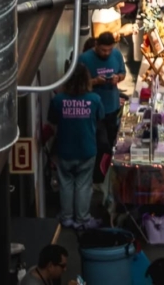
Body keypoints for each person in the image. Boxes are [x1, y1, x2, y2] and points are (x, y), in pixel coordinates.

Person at [47, 65, 103, 230]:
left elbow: (53, 121)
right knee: (83, 185)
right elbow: (100, 117)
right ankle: (82, 219)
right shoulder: (95, 99)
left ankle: (66, 218)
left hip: (65, 149)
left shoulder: (58, 100)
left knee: (66, 184)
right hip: (87, 149)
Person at [78, 31, 126, 161]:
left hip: (112, 106)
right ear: (96, 45)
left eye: (109, 50)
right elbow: (77, 84)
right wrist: (95, 81)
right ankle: (98, 173)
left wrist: (118, 78)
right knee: (100, 143)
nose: (107, 53)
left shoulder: (116, 54)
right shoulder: (84, 59)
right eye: (103, 50)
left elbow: (123, 73)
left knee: (111, 140)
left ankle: (109, 167)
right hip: (92, 110)